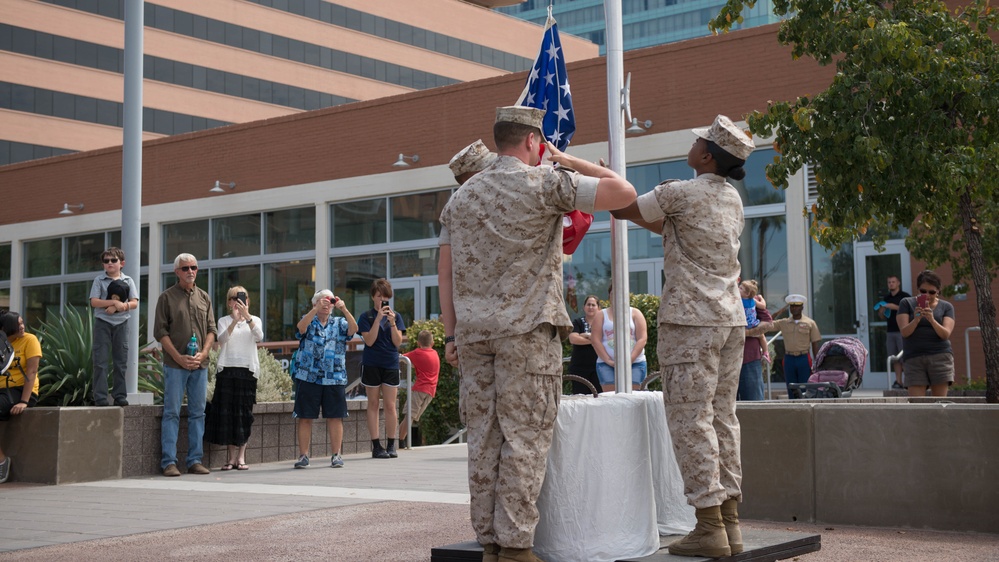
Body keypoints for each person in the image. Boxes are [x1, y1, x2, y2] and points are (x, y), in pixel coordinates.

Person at [439, 105, 636, 562]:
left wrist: (451, 336)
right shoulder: (544, 182)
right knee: (524, 438)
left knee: (483, 439)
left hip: (473, 337)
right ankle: (515, 547)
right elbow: (622, 191)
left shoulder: (460, 198)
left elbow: (444, 275)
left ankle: (489, 542)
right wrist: (565, 161)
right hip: (526, 333)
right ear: (533, 142)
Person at [611, 114, 754, 558]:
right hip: (730, 321)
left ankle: (709, 526)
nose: (692, 144)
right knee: (722, 418)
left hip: (691, 324)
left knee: (691, 421)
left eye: (698, 141)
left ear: (707, 156)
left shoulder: (680, 192)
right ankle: (729, 525)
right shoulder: (731, 199)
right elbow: (674, 227)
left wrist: (605, 174)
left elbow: (623, 207)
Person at [154, 253, 217, 477]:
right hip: (175, 365)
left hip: (199, 365)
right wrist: (179, 358)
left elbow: (212, 330)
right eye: (186, 268)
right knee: (171, 412)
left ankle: (194, 460)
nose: (191, 271)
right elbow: (160, 333)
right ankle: (169, 462)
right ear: (177, 272)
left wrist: (204, 353)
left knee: (198, 413)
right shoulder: (166, 298)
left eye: (194, 267)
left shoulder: (204, 297)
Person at [292, 289, 357, 469]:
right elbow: (300, 328)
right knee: (305, 417)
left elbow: (354, 330)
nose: (326, 304)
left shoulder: (339, 322)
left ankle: (336, 455)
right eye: (322, 301)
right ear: (315, 303)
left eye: (329, 301)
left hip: (334, 376)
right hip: (308, 375)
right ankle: (303, 455)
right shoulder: (309, 318)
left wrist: (344, 309)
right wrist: (314, 309)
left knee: (335, 417)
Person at [205, 286, 263, 471]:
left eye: (242, 298)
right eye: (234, 298)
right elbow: (221, 340)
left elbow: (259, 337)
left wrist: (247, 318)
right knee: (227, 414)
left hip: (247, 370)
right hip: (227, 370)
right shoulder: (223, 320)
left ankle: (241, 457)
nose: (238, 302)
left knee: (244, 414)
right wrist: (234, 321)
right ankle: (230, 458)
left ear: (247, 301)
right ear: (229, 302)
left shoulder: (255, 320)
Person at [357, 278, 406, 459]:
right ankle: (376, 446)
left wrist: (392, 323)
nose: (382, 300)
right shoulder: (366, 317)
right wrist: (378, 319)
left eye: (385, 297)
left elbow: (398, 342)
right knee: (373, 403)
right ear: (373, 297)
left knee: (391, 405)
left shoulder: (396, 316)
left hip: (390, 363)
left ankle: (392, 444)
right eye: (379, 296)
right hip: (371, 363)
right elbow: (369, 340)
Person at [89, 246, 139, 407]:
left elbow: (134, 302)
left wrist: (120, 307)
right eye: (106, 261)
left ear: (121, 263)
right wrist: (113, 302)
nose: (109, 263)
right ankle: (101, 398)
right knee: (100, 362)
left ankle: (120, 396)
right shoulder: (99, 280)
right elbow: (94, 301)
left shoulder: (128, 280)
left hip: (122, 324)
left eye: (113, 260)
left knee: (121, 362)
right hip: (103, 323)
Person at [750, 294, 822, 399]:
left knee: (805, 387)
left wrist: (817, 363)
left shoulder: (810, 323)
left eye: (797, 306)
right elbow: (767, 324)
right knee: (791, 388)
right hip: (789, 359)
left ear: (802, 307)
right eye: (792, 306)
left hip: (803, 358)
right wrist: (776, 313)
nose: (794, 308)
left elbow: (815, 344)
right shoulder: (784, 322)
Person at [897, 270, 955, 397]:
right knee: (917, 405)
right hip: (914, 357)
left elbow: (945, 334)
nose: (927, 295)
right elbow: (905, 332)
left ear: (938, 291)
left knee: (939, 405)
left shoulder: (946, 307)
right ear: (918, 289)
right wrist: (916, 319)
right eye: (923, 291)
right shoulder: (906, 303)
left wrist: (932, 319)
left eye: (932, 292)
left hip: (940, 356)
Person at [0, 312, 40, 484]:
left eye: (22, 322)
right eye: (18, 324)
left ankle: (1, 461)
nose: (22, 327)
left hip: (20, 390)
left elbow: (32, 371)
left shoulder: (30, 340)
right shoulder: (2, 343)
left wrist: (24, 401)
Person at [590, 284, 648, 392]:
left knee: (635, 396)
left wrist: (629, 359)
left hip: (635, 363)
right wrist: (608, 361)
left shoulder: (636, 313)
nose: (616, 296)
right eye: (613, 294)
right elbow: (595, 340)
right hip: (606, 364)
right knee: (610, 398)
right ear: (609, 296)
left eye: (620, 293)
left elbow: (642, 338)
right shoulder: (601, 315)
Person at [397, 329, 440, 446]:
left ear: (418, 343)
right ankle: (399, 438)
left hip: (420, 389)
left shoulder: (417, 353)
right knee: (411, 416)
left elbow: (401, 358)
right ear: (432, 343)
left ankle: (399, 440)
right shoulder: (435, 353)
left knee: (409, 415)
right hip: (431, 391)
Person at [738, 280, 771, 401]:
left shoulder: (752, 298)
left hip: (749, 360)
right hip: (724, 362)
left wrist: (746, 333)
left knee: (754, 404)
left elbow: (768, 323)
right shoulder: (720, 297)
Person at [878, 275, 910, 389]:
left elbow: (910, 312)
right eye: (889, 282)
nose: (891, 284)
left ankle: (908, 381)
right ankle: (898, 381)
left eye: (893, 282)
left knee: (904, 357)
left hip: (902, 331)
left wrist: (894, 307)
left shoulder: (905, 297)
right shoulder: (886, 299)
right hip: (890, 331)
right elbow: (882, 316)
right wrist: (881, 311)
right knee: (894, 358)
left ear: (898, 283)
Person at [566, 295, 601, 395]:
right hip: (579, 368)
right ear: (584, 307)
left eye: (593, 305)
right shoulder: (577, 322)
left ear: (598, 308)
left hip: (598, 367)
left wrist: (585, 335)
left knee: (599, 398)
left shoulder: (602, 323)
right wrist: (595, 340)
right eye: (588, 304)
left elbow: (605, 340)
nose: (590, 307)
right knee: (580, 398)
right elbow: (573, 339)